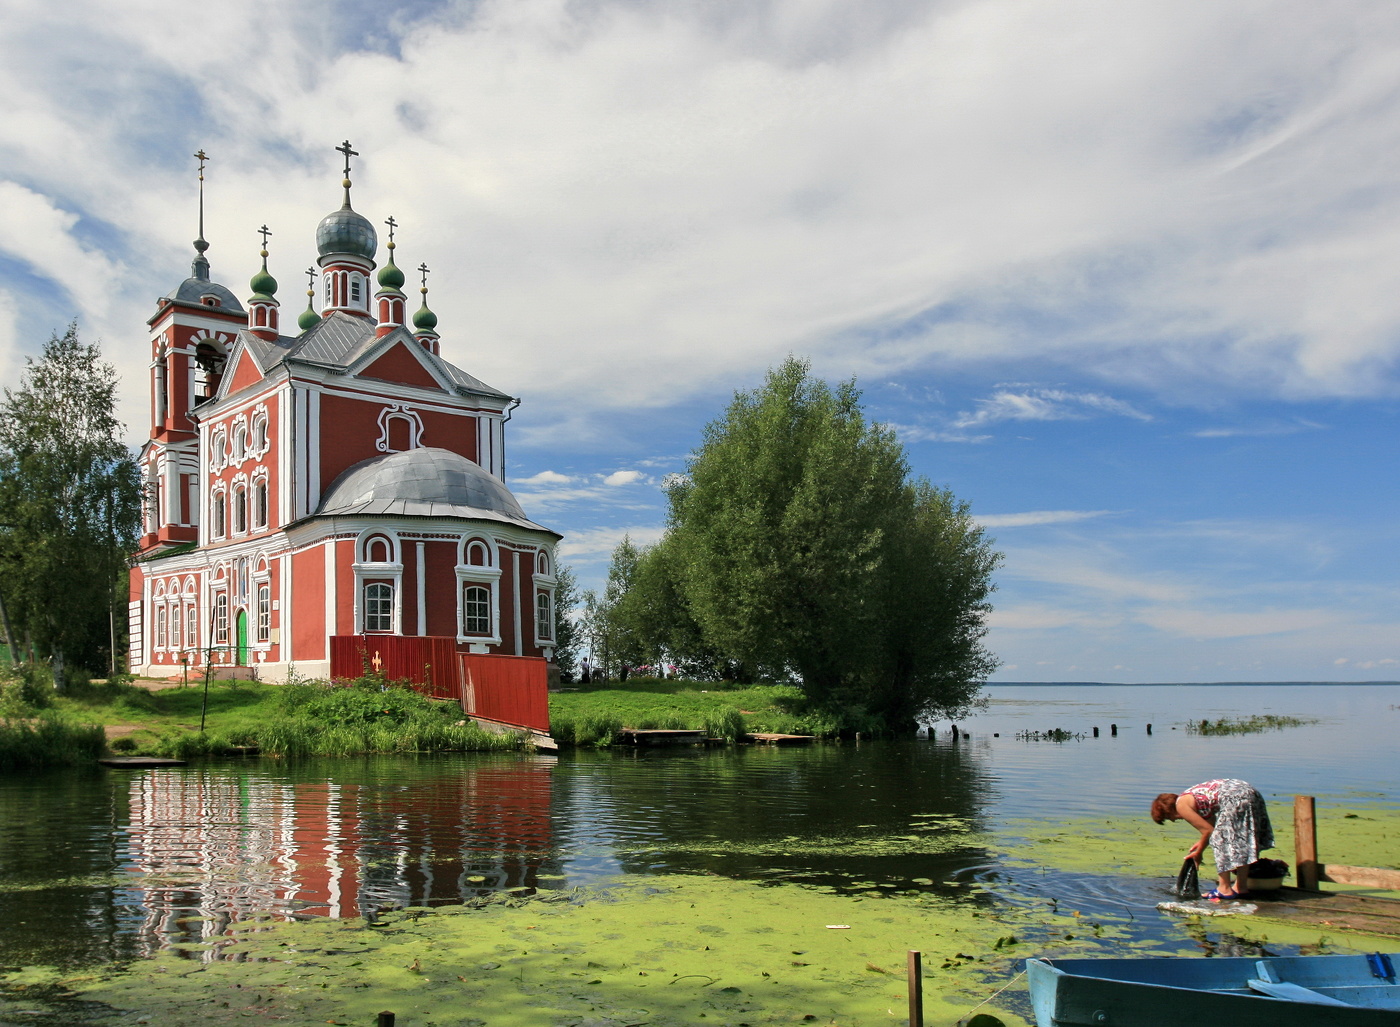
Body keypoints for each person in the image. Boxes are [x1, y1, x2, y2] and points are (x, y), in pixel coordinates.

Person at [1151, 779, 1274, 900]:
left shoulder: (1181, 805)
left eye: (1168, 817)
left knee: (1220, 839)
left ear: (1167, 810)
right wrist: (1201, 843)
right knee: (1242, 841)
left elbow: (1209, 831)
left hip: (1232, 797)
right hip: (1249, 792)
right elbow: (1211, 828)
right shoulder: (1192, 797)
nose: (1173, 820)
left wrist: (1198, 854)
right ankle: (1240, 887)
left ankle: (1224, 889)